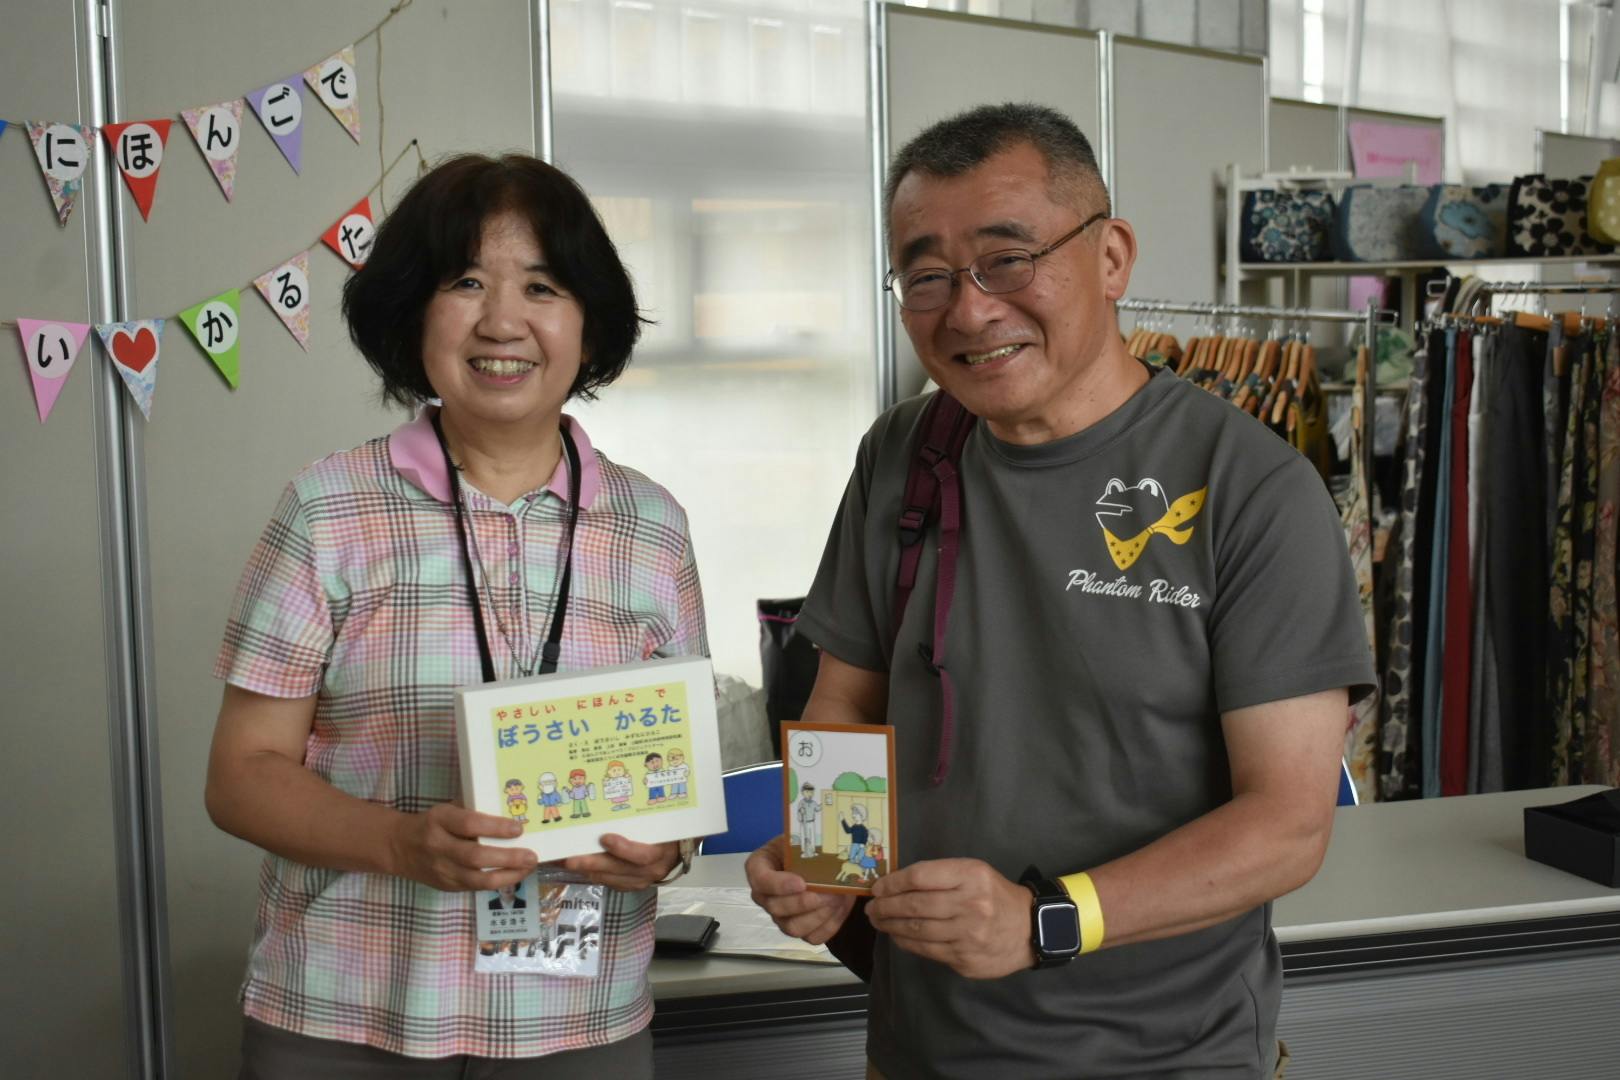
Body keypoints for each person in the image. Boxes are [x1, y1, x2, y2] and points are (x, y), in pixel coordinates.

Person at [744, 103, 1374, 1079]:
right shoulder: (904, 454)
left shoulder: (1249, 487)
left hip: (1166, 1055)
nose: (968, 311)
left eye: (1007, 260)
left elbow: (1287, 825)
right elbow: (848, 704)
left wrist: (1046, 919)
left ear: (1111, 257)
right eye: (927, 277)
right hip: (920, 1048)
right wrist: (826, 865)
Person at [205, 153, 706, 1077]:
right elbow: (241, 776)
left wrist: (667, 848)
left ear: (589, 324)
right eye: (466, 282)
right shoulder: (328, 510)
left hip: (579, 1022)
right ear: (412, 313)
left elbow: (674, 781)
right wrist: (401, 843)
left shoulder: (653, 527)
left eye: (542, 287)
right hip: (346, 1015)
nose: (503, 321)